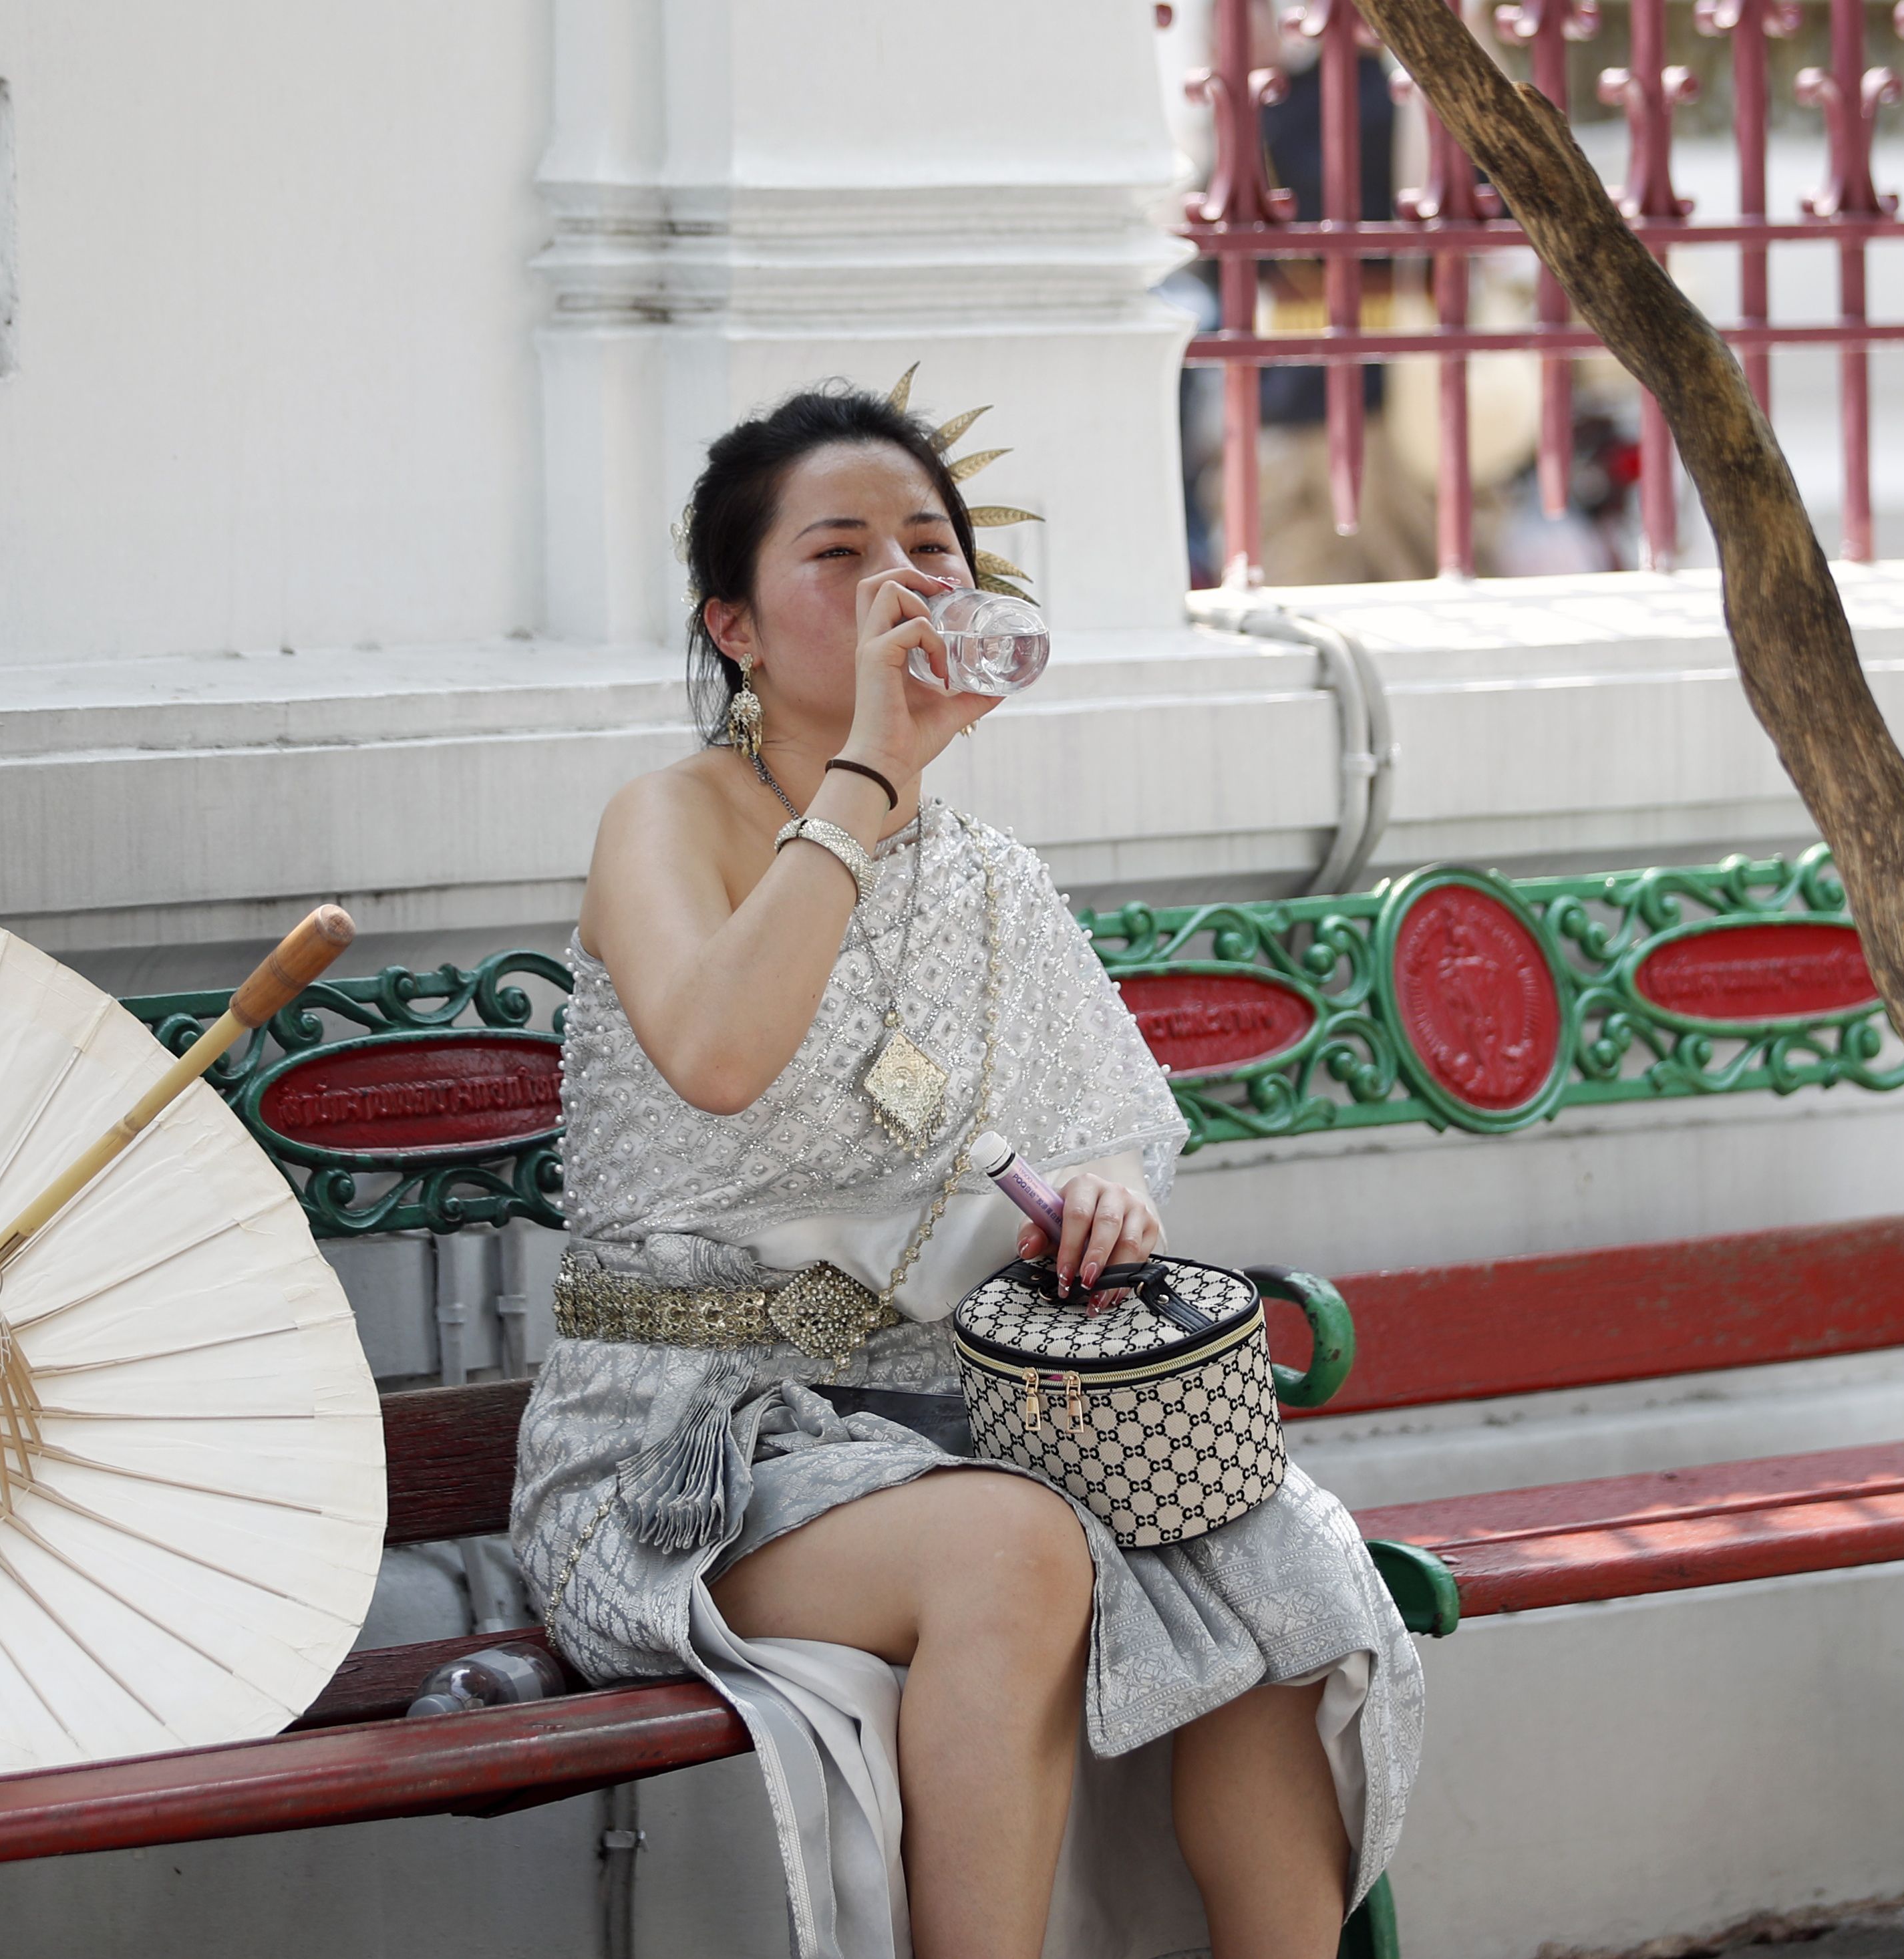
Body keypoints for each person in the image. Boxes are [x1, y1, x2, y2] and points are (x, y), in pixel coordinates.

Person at [510, 384, 1422, 1959]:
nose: (903, 586)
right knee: (1015, 1544)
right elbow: (717, 1053)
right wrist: (866, 770)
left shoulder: (989, 878)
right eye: (842, 553)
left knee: (1256, 1544)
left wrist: (1111, 1196)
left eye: (932, 548)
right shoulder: (663, 820)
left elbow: (1101, 1129)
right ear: (731, 626)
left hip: (959, 1419)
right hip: (684, 1456)